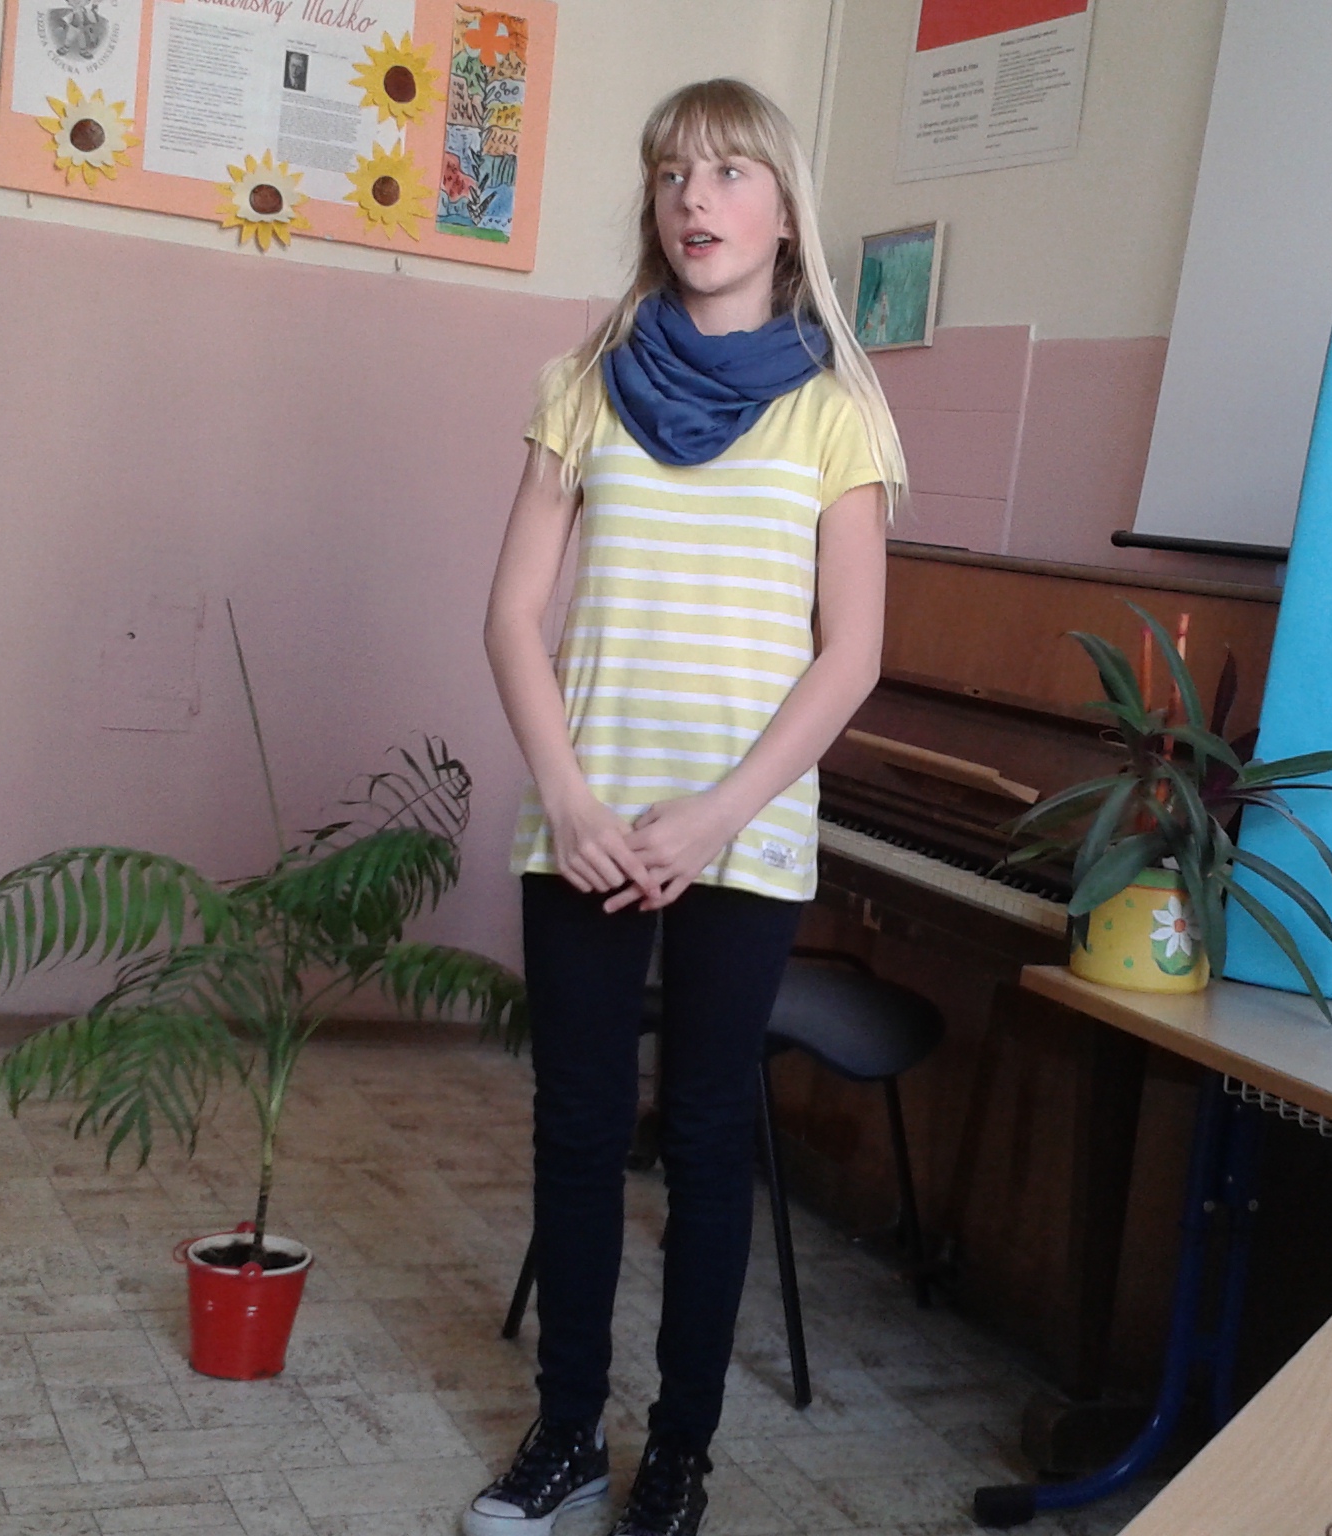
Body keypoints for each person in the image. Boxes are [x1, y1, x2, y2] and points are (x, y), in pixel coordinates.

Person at [475, 78, 906, 1536]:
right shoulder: (584, 381)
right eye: (672, 174)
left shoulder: (837, 412)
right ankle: (567, 1436)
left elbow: (852, 652)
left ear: (784, 210)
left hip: (744, 831)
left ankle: (679, 1456)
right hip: (584, 823)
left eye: (727, 172)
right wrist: (569, 798)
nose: (694, 200)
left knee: (712, 1142)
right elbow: (512, 616)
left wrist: (719, 813)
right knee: (579, 1132)